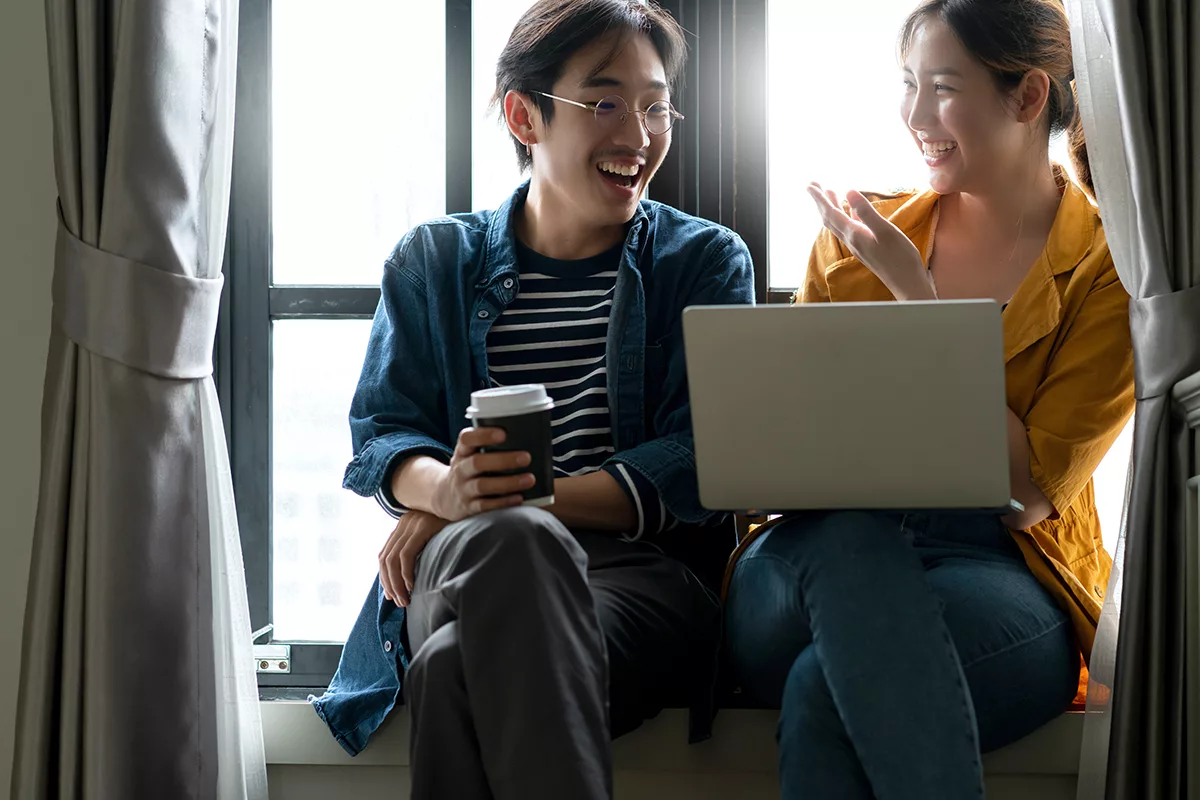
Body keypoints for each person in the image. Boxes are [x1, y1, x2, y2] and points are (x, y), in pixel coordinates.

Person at [309, 2, 754, 798]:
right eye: (606, 102)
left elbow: (706, 455)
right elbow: (383, 435)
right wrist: (446, 489)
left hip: (638, 580)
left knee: (453, 663)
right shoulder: (434, 259)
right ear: (526, 114)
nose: (640, 134)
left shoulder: (703, 261)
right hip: (464, 562)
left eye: (656, 105)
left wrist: (497, 500)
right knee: (511, 542)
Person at [723, 0, 1134, 797]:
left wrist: (920, 301)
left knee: (823, 689)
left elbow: (1026, 489)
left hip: (999, 570)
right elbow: (783, 450)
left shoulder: (1106, 270)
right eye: (908, 84)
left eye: (942, 87)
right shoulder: (851, 245)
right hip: (813, 560)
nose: (914, 114)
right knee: (849, 545)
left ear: (1028, 96)